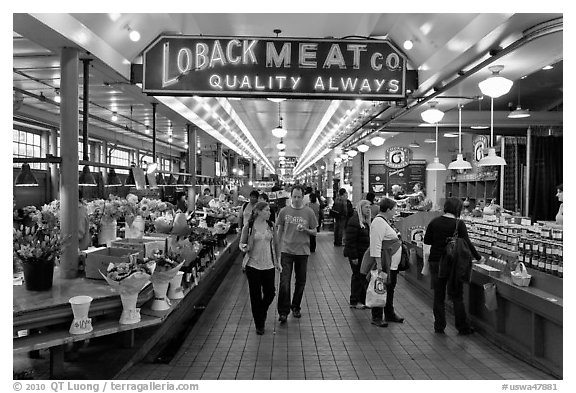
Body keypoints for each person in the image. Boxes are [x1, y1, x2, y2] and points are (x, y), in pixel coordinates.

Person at [424, 197, 484, 335]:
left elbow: (427, 240)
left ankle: (439, 326)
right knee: (457, 295)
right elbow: (467, 243)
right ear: (458, 209)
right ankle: (462, 327)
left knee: (438, 295)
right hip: (453, 263)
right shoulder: (459, 224)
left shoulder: (434, 222)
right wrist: (479, 258)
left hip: (436, 261)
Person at [276, 185, 318, 323]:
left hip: (302, 252)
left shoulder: (309, 212)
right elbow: (280, 230)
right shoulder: (284, 211)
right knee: (284, 282)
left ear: (303, 197)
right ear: (291, 196)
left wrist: (305, 229)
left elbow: (314, 231)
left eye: (299, 197)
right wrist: (277, 247)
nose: (296, 199)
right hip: (286, 250)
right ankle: (283, 311)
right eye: (294, 196)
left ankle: (296, 306)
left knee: (300, 281)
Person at [239, 202, 282, 335]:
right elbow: (241, 242)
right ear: (258, 211)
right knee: (255, 295)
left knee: (270, 292)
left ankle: (261, 311)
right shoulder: (249, 226)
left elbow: (276, 244)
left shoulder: (271, 226)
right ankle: (259, 324)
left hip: (268, 264)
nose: (269, 212)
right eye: (267, 210)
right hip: (253, 265)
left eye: (269, 210)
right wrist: (244, 247)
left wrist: (278, 262)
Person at [369, 197, 405, 327]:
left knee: (390, 287)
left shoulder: (385, 221)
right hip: (385, 262)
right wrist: (378, 263)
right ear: (388, 209)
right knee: (380, 287)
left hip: (392, 264)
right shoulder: (378, 222)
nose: (395, 211)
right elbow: (376, 244)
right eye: (394, 208)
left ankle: (389, 313)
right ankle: (377, 316)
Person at [344, 200, 371, 309]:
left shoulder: (365, 222)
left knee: (362, 276)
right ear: (360, 209)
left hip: (364, 254)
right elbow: (350, 240)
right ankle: (354, 300)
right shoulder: (354, 221)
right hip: (357, 254)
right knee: (357, 276)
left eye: (369, 207)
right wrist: (354, 256)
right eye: (366, 207)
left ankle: (362, 299)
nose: (368, 209)